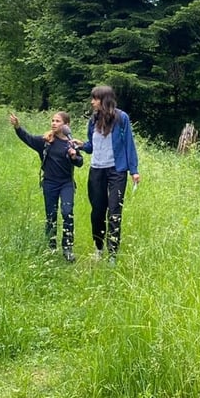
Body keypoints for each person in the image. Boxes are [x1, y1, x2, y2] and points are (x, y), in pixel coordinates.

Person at [76, 85, 140, 264]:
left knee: (114, 212)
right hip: (96, 170)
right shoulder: (93, 120)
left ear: (104, 100)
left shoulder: (121, 118)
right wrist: (81, 145)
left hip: (116, 171)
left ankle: (113, 254)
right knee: (97, 212)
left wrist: (134, 170)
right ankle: (99, 247)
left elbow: (129, 144)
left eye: (95, 99)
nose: (92, 102)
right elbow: (91, 146)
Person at [9, 110, 83, 263]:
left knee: (67, 212)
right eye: (53, 121)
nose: (54, 123)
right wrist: (17, 127)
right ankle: (51, 247)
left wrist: (74, 155)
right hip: (50, 183)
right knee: (51, 215)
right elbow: (27, 138)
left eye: (57, 121)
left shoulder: (71, 142)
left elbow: (80, 163)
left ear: (66, 125)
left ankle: (68, 248)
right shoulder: (45, 141)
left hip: (66, 183)